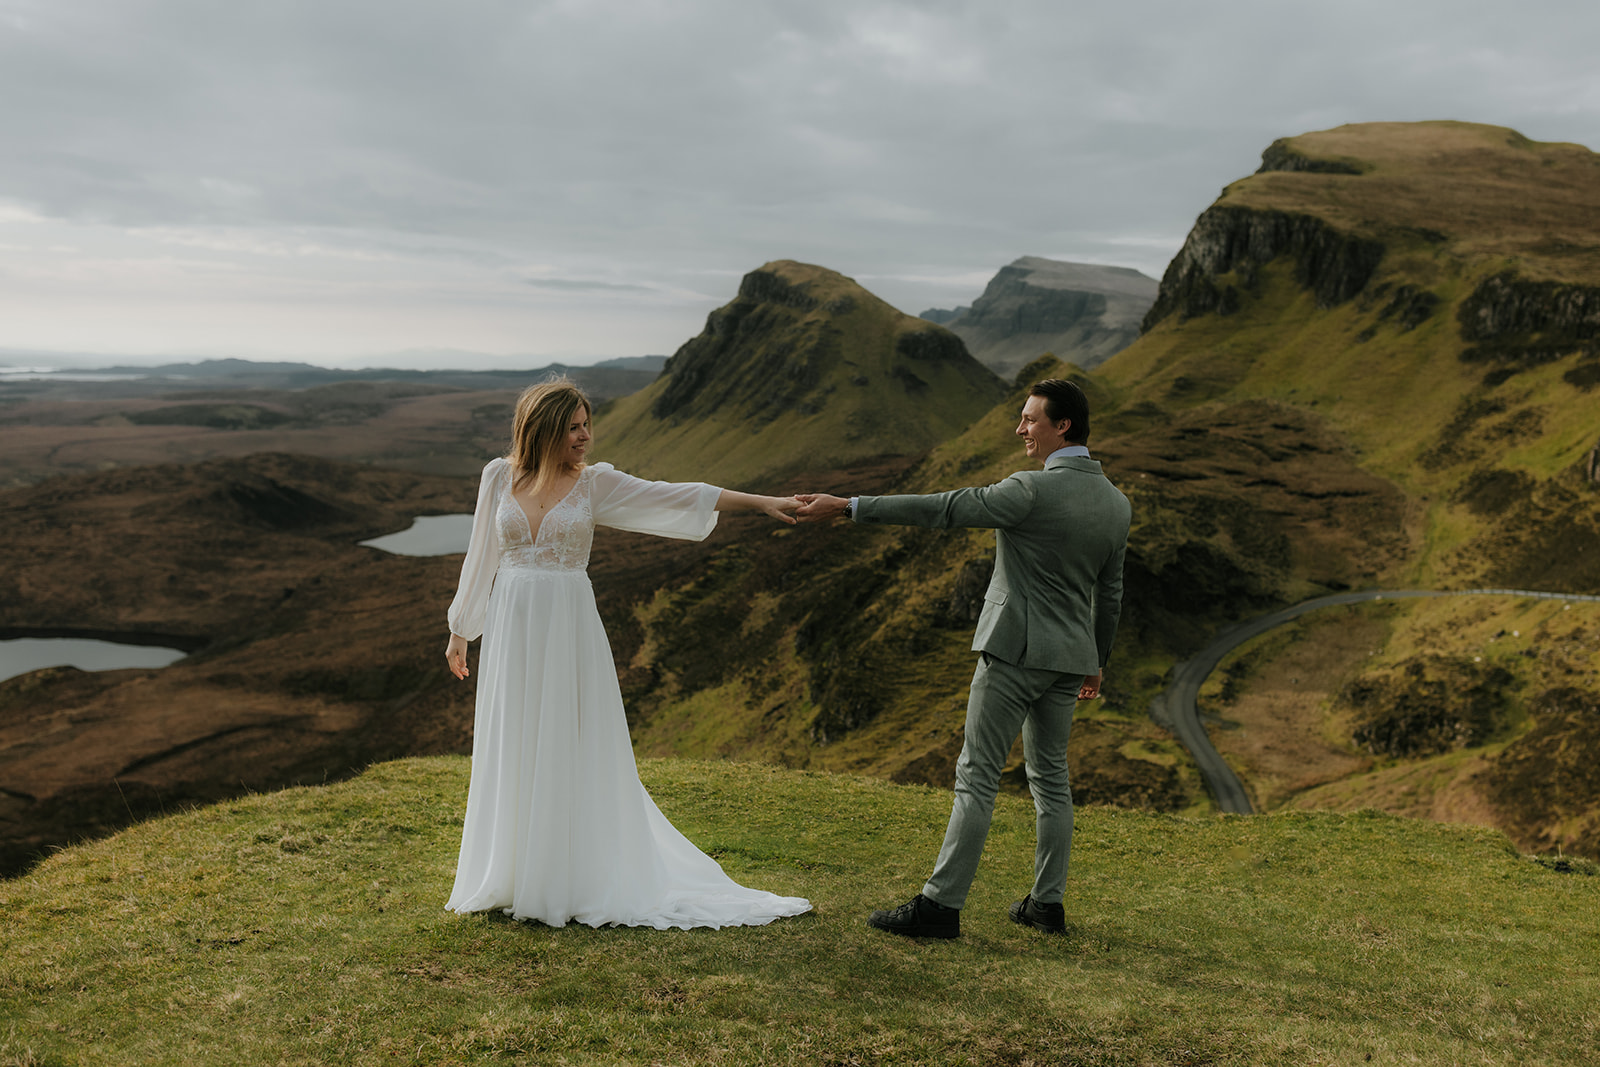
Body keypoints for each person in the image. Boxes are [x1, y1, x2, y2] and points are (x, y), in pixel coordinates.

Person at [443, 378, 811, 929]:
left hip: (568, 627)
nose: (586, 435)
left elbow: (677, 493)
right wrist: (460, 630)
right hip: (512, 628)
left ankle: (567, 876)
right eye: (574, 426)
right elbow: (482, 555)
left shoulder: (595, 485)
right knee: (515, 737)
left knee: (570, 740)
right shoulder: (499, 476)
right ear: (543, 428)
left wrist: (761, 502)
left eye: (587, 424)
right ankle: (512, 874)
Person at [795, 378, 1129, 938]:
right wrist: (1096, 661)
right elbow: (1111, 593)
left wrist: (850, 506)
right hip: (1071, 660)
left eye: (1029, 419)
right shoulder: (1116, 504)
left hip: (1015, 652)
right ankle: (1046, 905)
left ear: (1061, 426)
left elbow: (945, 509)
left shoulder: (1029, 490)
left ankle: (939, 907)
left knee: (977, 776)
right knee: (1051, 780)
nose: (1020, 429)